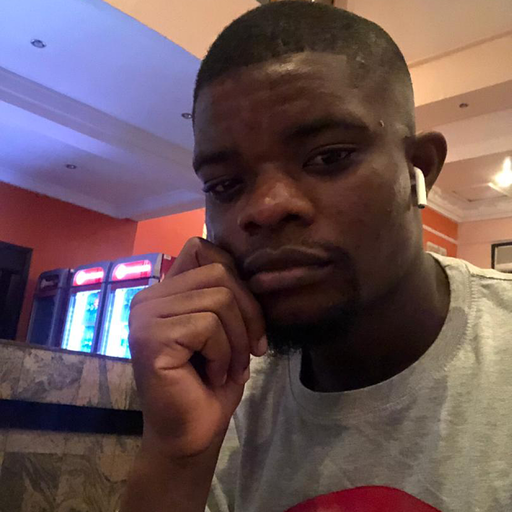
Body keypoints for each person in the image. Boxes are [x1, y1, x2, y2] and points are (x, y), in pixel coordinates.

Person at [121, 2, 512, 511]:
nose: (266, 208)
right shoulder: (219, 390)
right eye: (224, 185)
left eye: (328, 157)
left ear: (418, 170)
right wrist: (175, 457)